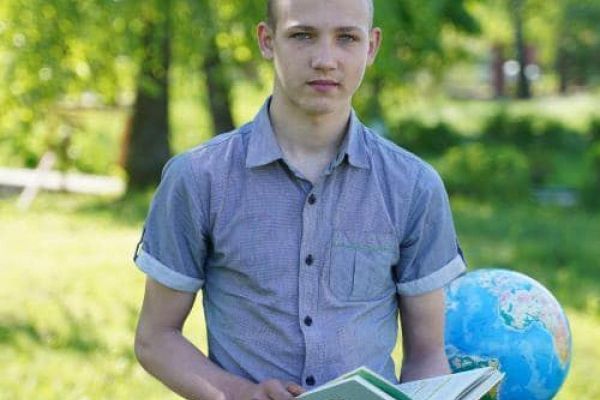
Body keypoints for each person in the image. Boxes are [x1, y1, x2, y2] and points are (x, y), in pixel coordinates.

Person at [132, 0, 467, 399]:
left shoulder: (413, 186)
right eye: (303, 35)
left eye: (347, 37)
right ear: (267, 40)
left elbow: (427, 356)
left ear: (372, 46)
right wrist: (238, 393)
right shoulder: (198, 178)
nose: (325, 60)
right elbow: (156, 338)